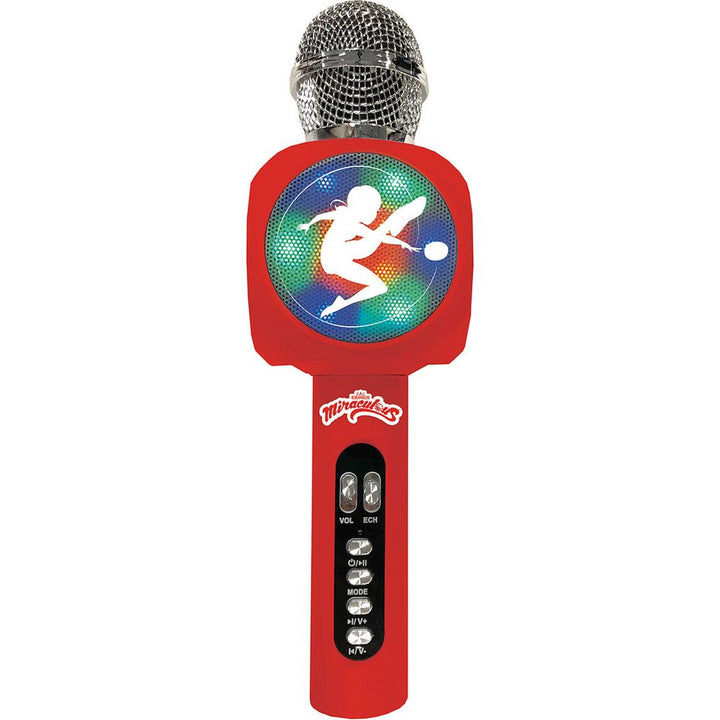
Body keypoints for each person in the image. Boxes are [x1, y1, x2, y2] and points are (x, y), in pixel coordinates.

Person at [298, 185, 425, 317]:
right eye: (374, 210)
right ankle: (396, 219)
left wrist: (309, 224)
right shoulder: (353, 225)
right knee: (380, 286)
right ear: (364, 208)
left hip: (337, 254)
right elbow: (379, 238)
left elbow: (322, 216)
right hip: (336, 259)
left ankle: (395, 220)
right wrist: (401, 243)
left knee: (379, 284)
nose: (375, 214)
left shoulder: (343, 213)